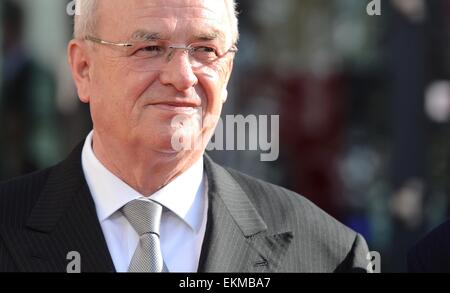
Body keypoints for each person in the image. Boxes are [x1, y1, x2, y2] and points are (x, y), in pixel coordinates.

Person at [0, 0, 370, 272]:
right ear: (83, 69)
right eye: (150, 48)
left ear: (228, 72)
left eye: (205, 50)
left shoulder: (327, 254)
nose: (183, 76)